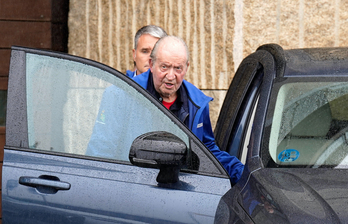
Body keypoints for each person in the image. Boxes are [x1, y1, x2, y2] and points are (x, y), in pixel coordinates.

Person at [133, 35, 244, 184]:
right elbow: (103, 148)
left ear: (187, 68)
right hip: (134, 187)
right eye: (164, 67)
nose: (171, 76)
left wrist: (243, 175)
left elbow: (207, 151)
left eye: (178, 68)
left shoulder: (197, 103)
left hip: (182, 192)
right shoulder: (125, 93)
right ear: (152, 64)